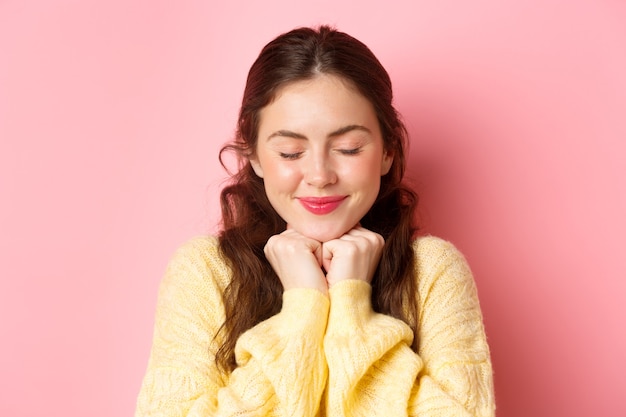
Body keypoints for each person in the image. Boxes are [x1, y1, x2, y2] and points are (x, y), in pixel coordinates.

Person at [135, 25, 495, 417]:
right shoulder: (204, 271)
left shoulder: (433, 272)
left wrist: (351, 306)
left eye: (348, 148)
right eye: (290, 152)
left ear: (388, 151)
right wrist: (302, 311)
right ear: (254, 155)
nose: (320, 175)